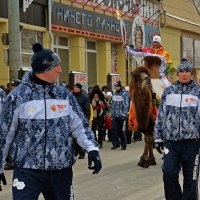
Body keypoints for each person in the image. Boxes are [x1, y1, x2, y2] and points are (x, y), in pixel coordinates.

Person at [0, 43, 102, 199]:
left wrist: (92, 149)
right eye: (57, 67)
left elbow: (80, 126)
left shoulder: (64, 95)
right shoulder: (17, 97)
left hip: (60, 170)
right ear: (44, 70)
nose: (60, 70)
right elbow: (4, 134)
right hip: (27, 170)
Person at [154, 59, 200, 200]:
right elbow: (161, 115)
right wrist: (158, 137)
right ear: (178, 73)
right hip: (172, 143)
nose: (184, 74)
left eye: (187, 71)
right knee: (168, 173)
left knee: (190, 181)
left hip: (192, 144)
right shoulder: (169, 91)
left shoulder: (197, 92)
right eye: (181, 71)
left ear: (191, 74)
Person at [73, 82, 91, 159]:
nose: (75, 89)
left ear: (80, 89)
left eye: (76, 87)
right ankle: (76, 151)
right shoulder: (72, 96)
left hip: (81, 120)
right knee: (73, 137)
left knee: (79, 137)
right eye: (74, 87)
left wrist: (85, 120)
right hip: (72, 120)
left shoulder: (84, 97)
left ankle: (81, 152)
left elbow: (87, 110)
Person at [111, 81, 129, 150]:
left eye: (117, 86)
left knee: (120, 130)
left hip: (122, 116)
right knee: (113, 129)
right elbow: (112, 104)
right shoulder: (114, 94)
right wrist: (112, 113)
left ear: (120, 86)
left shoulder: (124, 94)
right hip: (115, 115)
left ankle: (123, 144)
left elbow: (126, 105)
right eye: (115, 86)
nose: (116, 87)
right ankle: (116, 144)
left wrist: (124, 114)